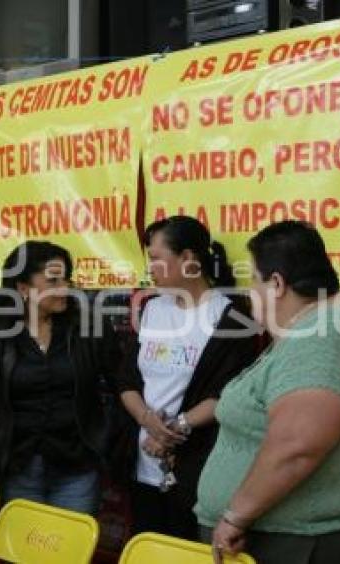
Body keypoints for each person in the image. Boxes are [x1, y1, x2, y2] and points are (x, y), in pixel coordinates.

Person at [196, 220, 340, 564]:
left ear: (277, 283)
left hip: (321, 541)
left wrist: (235, 515)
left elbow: (296, 445)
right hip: (303, 538)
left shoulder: (323, 340)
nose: (249, 291)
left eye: (253, 279)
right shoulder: (310, 330)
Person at [115, 216, 259, 540]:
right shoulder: (152, 308)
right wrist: (147, 420)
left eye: (155, 257)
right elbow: (126, 379)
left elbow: (232, 391)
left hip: (196, 469)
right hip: (142, 463)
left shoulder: (231, 316)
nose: (149, 267)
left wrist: (174, 429)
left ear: (188, 259)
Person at [0, 241, 121, 515]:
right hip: (16, 466)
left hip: (78, 466)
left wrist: (103, 439)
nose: (65, 286)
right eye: (53, 280)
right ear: (23, 288)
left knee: (71, 550)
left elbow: (121, 385)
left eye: (66, 278)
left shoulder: (90, 327)